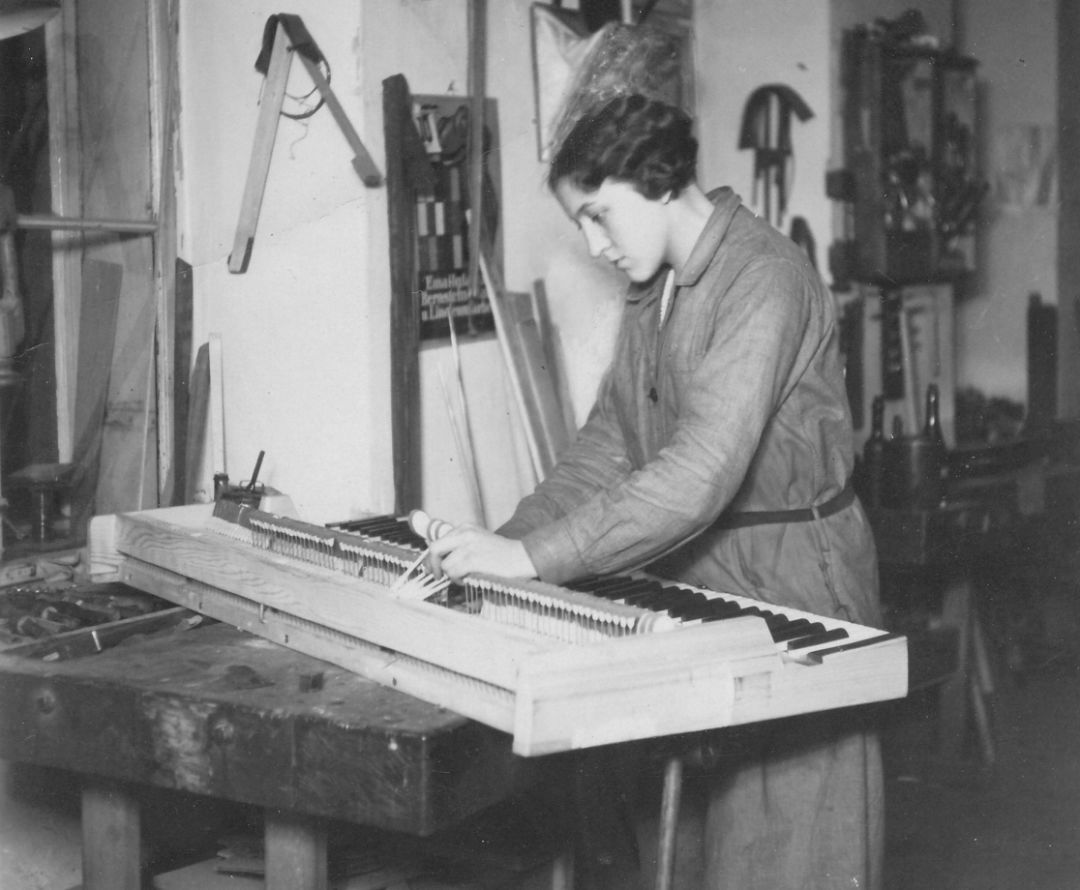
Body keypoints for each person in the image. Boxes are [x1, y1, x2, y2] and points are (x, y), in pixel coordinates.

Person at [427, 93, 883, 890]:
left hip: (795, 581)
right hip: (701, 579)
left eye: (599, 215)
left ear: (658, 179)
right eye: (581, 225)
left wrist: (533, 560)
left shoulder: (764, 277)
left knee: (787, 841)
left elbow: (698, 472)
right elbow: (606, 446)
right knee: (695, 846)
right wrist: (500, 545)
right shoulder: (654, 291)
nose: (594, 245)